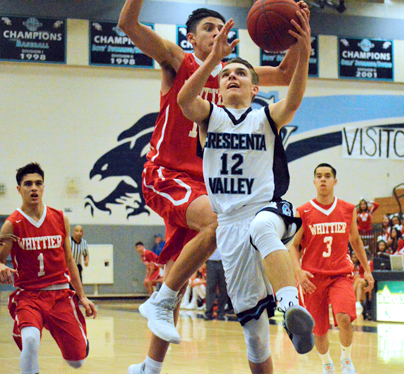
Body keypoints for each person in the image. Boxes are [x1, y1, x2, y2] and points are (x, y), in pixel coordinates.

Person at [118, 2, 311, 372]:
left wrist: (299, 30)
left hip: (203, 186)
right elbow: (128, 23)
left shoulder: (233, 76)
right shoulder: (180, 61)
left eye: (222, 27)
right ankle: (160, 301)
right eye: (209, 28)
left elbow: (288, 75)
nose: (218, 32)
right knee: (214, 225)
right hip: (168, 174)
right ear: (191, 38)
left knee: (179, 266)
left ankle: (149, 366)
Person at [177, 10, 314, 374]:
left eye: (241, 73)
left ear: (255, 89)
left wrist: (304, 51)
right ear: (218, 88)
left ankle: (290, 307)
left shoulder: (264, 116)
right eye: (226, 74)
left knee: (262, 227)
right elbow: (184, 101)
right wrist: (212, 59)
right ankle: (281, 322)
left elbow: (295, 98)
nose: (232, 76)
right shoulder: (210, 116)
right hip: (229, 226)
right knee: (254, 335)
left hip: (268, 208)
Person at [0, 162, 97, 374]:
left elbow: (70, 262)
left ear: (44, 187)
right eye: (28, 184)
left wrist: (82, 296)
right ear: (19, 189)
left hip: (60, 295)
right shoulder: (12, 224)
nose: (33, 188)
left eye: (38, 183)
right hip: (29, 296)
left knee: (76, 362)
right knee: (31, 340)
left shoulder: (60, 218)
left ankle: (79, 343)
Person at [289, 163, 374, 374]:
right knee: (319, 330)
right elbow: (293, 245)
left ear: (335, 181)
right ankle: (327, 364)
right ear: (314, 181)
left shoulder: (347, 209)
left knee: (344, 318)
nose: (323, 179)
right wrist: (298, 271)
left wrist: (367, 270)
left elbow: (355, 240)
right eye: (319, 176)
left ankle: (346, 360)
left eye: (327, 176)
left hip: (340, 274)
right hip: (313, 277)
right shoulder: (303, 211)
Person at [204, 247, 229, 320]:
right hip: (211, 262)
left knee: (223, 288)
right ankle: (208, 312)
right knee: (210, 288)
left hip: (224, 262)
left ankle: (221, 312)